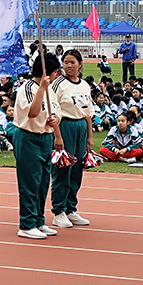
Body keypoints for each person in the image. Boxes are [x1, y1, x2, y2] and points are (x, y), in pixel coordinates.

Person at [13, 52, 61, 240]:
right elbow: (32, 113)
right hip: (28, 137)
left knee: (42, 183)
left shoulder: (51, 90)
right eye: (56, 71)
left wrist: (56, 120)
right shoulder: (27, 88)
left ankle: (38, 220)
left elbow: (56, 112)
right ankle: (27, 224)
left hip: (45, 138)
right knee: (29, 183)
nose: (57, 75)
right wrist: (41, 88)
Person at [50, 49, 93, 229]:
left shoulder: (84, 85)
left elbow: (88, 112)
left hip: (81, 126)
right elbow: (53, 111)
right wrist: (57, 135)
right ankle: (58, 210)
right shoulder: (58, 84)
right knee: (63, 169)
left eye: (72, 62)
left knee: (76, 170)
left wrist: (90, 136)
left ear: (80, 64)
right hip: (65, 125)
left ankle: (71, 208)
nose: (68, 66)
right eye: (65, 62)